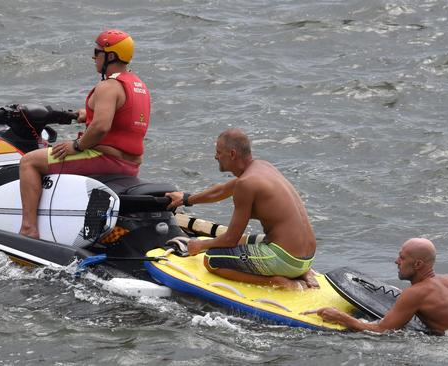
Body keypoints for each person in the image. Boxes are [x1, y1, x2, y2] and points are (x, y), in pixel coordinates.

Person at [19, 29, 150, 239]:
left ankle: (28, 230)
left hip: (105, 159)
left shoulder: (108, 86)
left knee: (29, 162)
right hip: (130, 164)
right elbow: (121, 118)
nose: (94, 57)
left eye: (97, 52)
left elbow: (100, 127)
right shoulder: (137, 85)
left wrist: (76, 145)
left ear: (110, 56)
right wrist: (85, 113)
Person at [166, 128, 318, 289]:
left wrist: (200, 246)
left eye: (219, 152)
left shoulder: (246, 184)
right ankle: (302, 272)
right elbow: (222, 190)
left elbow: (230, 239)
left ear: (232, 154)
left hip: (285, 259)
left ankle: (279, 282)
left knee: (211, 260)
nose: (216, 156)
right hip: (306, 257)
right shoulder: (261, 167)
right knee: (243, 241)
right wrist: (185, 199)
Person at [310, 238, 448, 334]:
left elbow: (381, 330)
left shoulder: (415, 293)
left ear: (418, 265)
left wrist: (342, 317)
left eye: (402, 258)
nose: (396, 261)